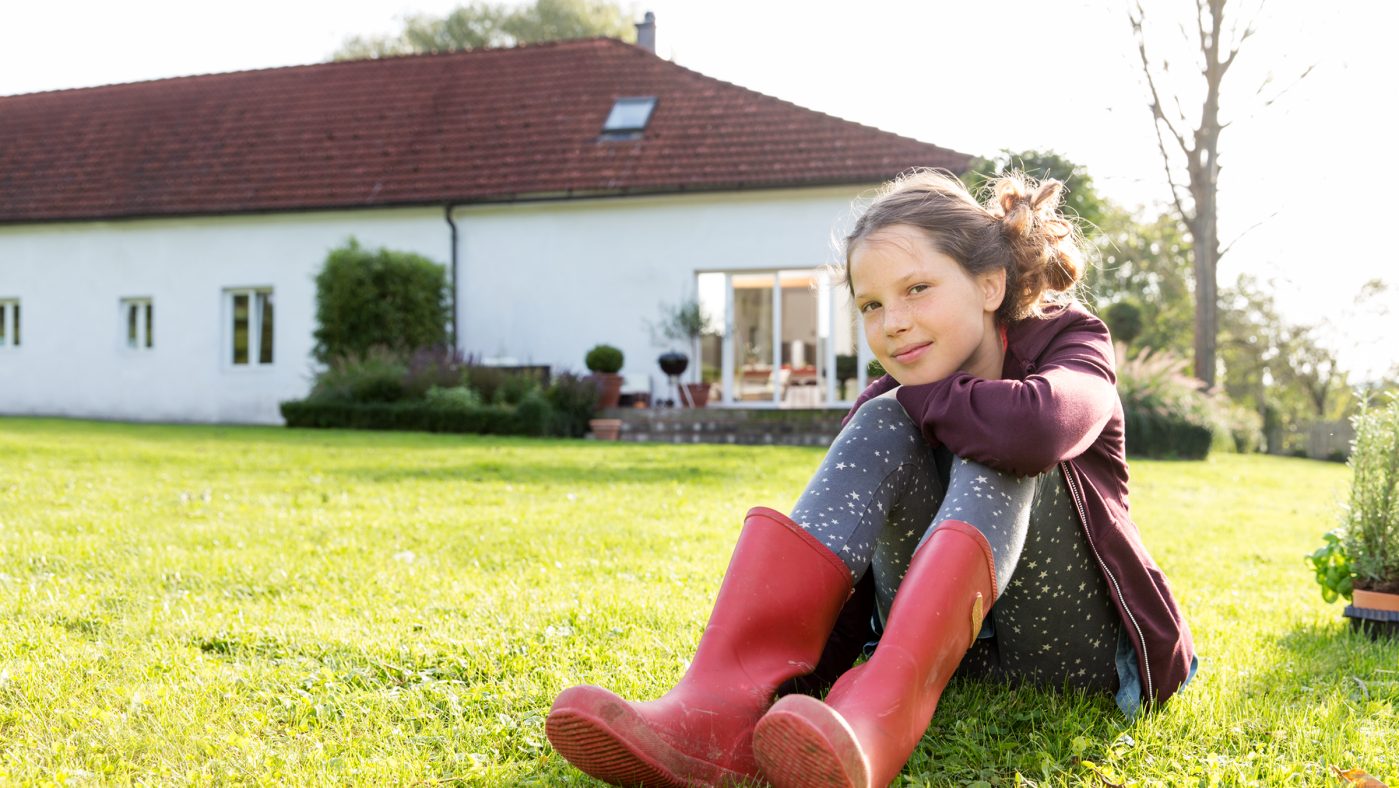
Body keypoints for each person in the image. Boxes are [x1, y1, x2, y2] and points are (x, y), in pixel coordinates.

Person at [545, 170, 1197, 788]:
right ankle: (717, 703)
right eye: (870, 305)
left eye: (917, 289)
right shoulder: (887, 407)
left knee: (990, 430)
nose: (893, 322)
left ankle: (879, 724)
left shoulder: (1069, 340)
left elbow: (1035, 430)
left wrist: (915, 397)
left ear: (989, 285)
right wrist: (789, 698)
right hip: (949, 665)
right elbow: (848, 583)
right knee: (884, 419)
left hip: (1073, 659)